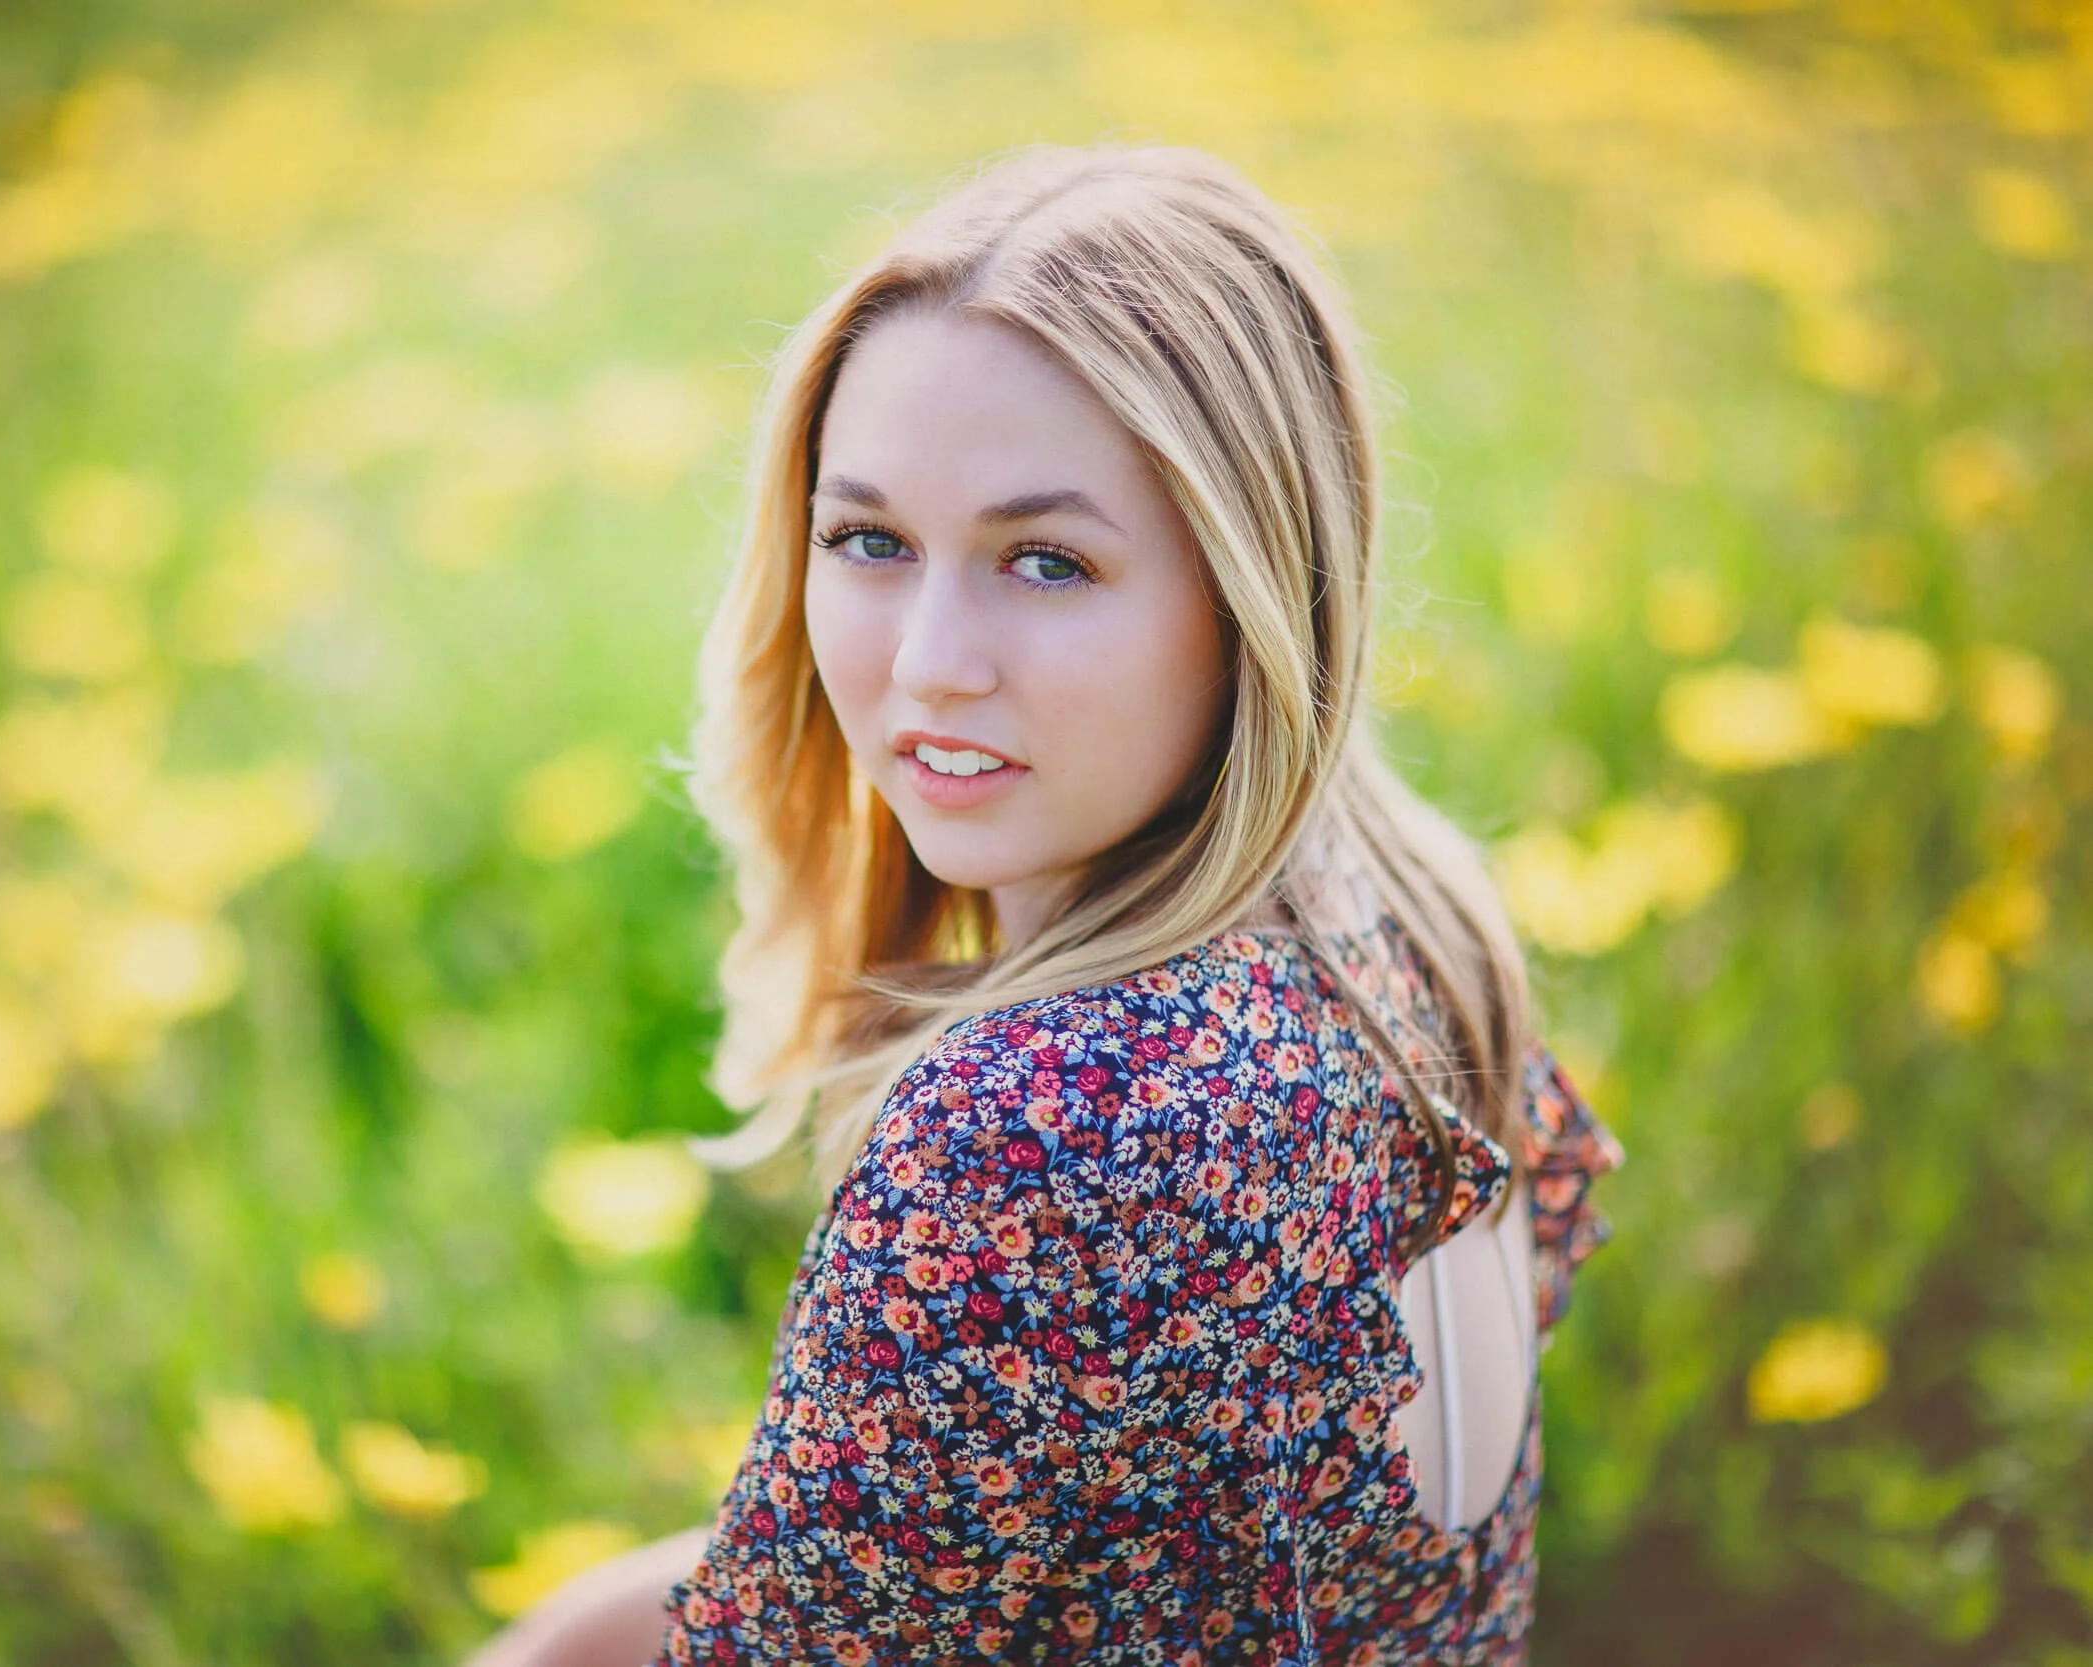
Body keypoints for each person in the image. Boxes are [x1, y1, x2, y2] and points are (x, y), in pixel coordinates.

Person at [470, 143, 1623, 1666]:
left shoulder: (1056, 1113)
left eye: (1048, 562)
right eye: (869, 540)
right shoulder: (1409, 917)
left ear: (1254, 594)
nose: (930, 661)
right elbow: (885, 1569)